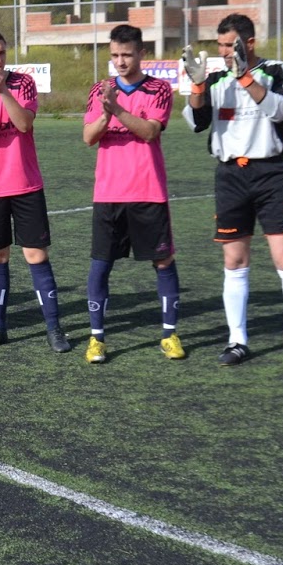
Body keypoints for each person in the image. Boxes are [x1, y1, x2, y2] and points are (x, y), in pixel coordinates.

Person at [183, 13, 283, 370]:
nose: (224, 52)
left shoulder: (275, 70)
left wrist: (244, 77)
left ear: (250, 43)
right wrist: (197, 87)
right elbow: (196, 122)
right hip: (231, 175)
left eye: (231, 45)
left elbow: (279, 111)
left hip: (271, 173)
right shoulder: (215, 79)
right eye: (220, 45)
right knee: (234, 261)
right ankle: (237, 340)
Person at [0, 27, 70, 353]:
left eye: (2, 53)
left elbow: (24, 124)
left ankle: (54, 329)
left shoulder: (23, 83)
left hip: (25, 184)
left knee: (36, 255)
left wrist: (3, 91)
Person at [81, 24, 184, 363]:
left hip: (148, 192)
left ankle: (169, 334)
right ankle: (97, 339)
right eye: (114, 55)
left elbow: (150, 132)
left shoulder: (159, 89)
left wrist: (118, 111)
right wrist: (105, 113)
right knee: (101, 264)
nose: (120, 61)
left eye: (126, 54)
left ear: (141, 53)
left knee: (163, 261)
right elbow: (89, 137)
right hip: (108, 193)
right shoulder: (100, 90)